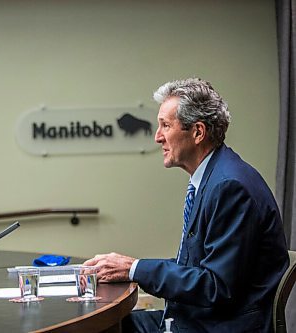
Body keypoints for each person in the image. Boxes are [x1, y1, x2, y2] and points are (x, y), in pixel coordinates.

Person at [84, 78, 289, 333]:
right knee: (106, 326)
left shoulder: (230, 187)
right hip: (200, 321)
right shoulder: (212, 178)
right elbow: (198, 268)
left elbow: (216, 286)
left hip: (217, 327)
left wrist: (135, 269)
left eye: (165, 126)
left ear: (198, 132)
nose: (157, 137)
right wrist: (133, 269)